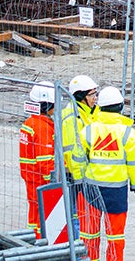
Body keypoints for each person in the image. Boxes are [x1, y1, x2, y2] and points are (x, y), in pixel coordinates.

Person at [74, 86, 135, 261]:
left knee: (88, 236)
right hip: (116, 192)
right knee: (115, 237)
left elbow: (78, 159)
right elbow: (134, 163)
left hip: (90, 190)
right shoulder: (128, 133)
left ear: (100, 107)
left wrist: (78, 182)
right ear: (120, 107)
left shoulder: (88, 130)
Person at [59, 74, 100, 237]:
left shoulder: (92, 112)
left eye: (96, 94)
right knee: (74, 214)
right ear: (81, 97)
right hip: (75, 175)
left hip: (89, 173)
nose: (95, 98)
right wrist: (80, 178)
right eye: (92, 95)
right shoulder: (71, 116)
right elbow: (72, 152)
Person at [19, 83, 57, 242]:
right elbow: (45, 160)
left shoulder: (30, 123)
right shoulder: (42, 127)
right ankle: (39, 244)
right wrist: (54, 183)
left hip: (31, 177)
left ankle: (33, 241)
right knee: (41, 215)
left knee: (34, 214)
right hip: (40, 179)